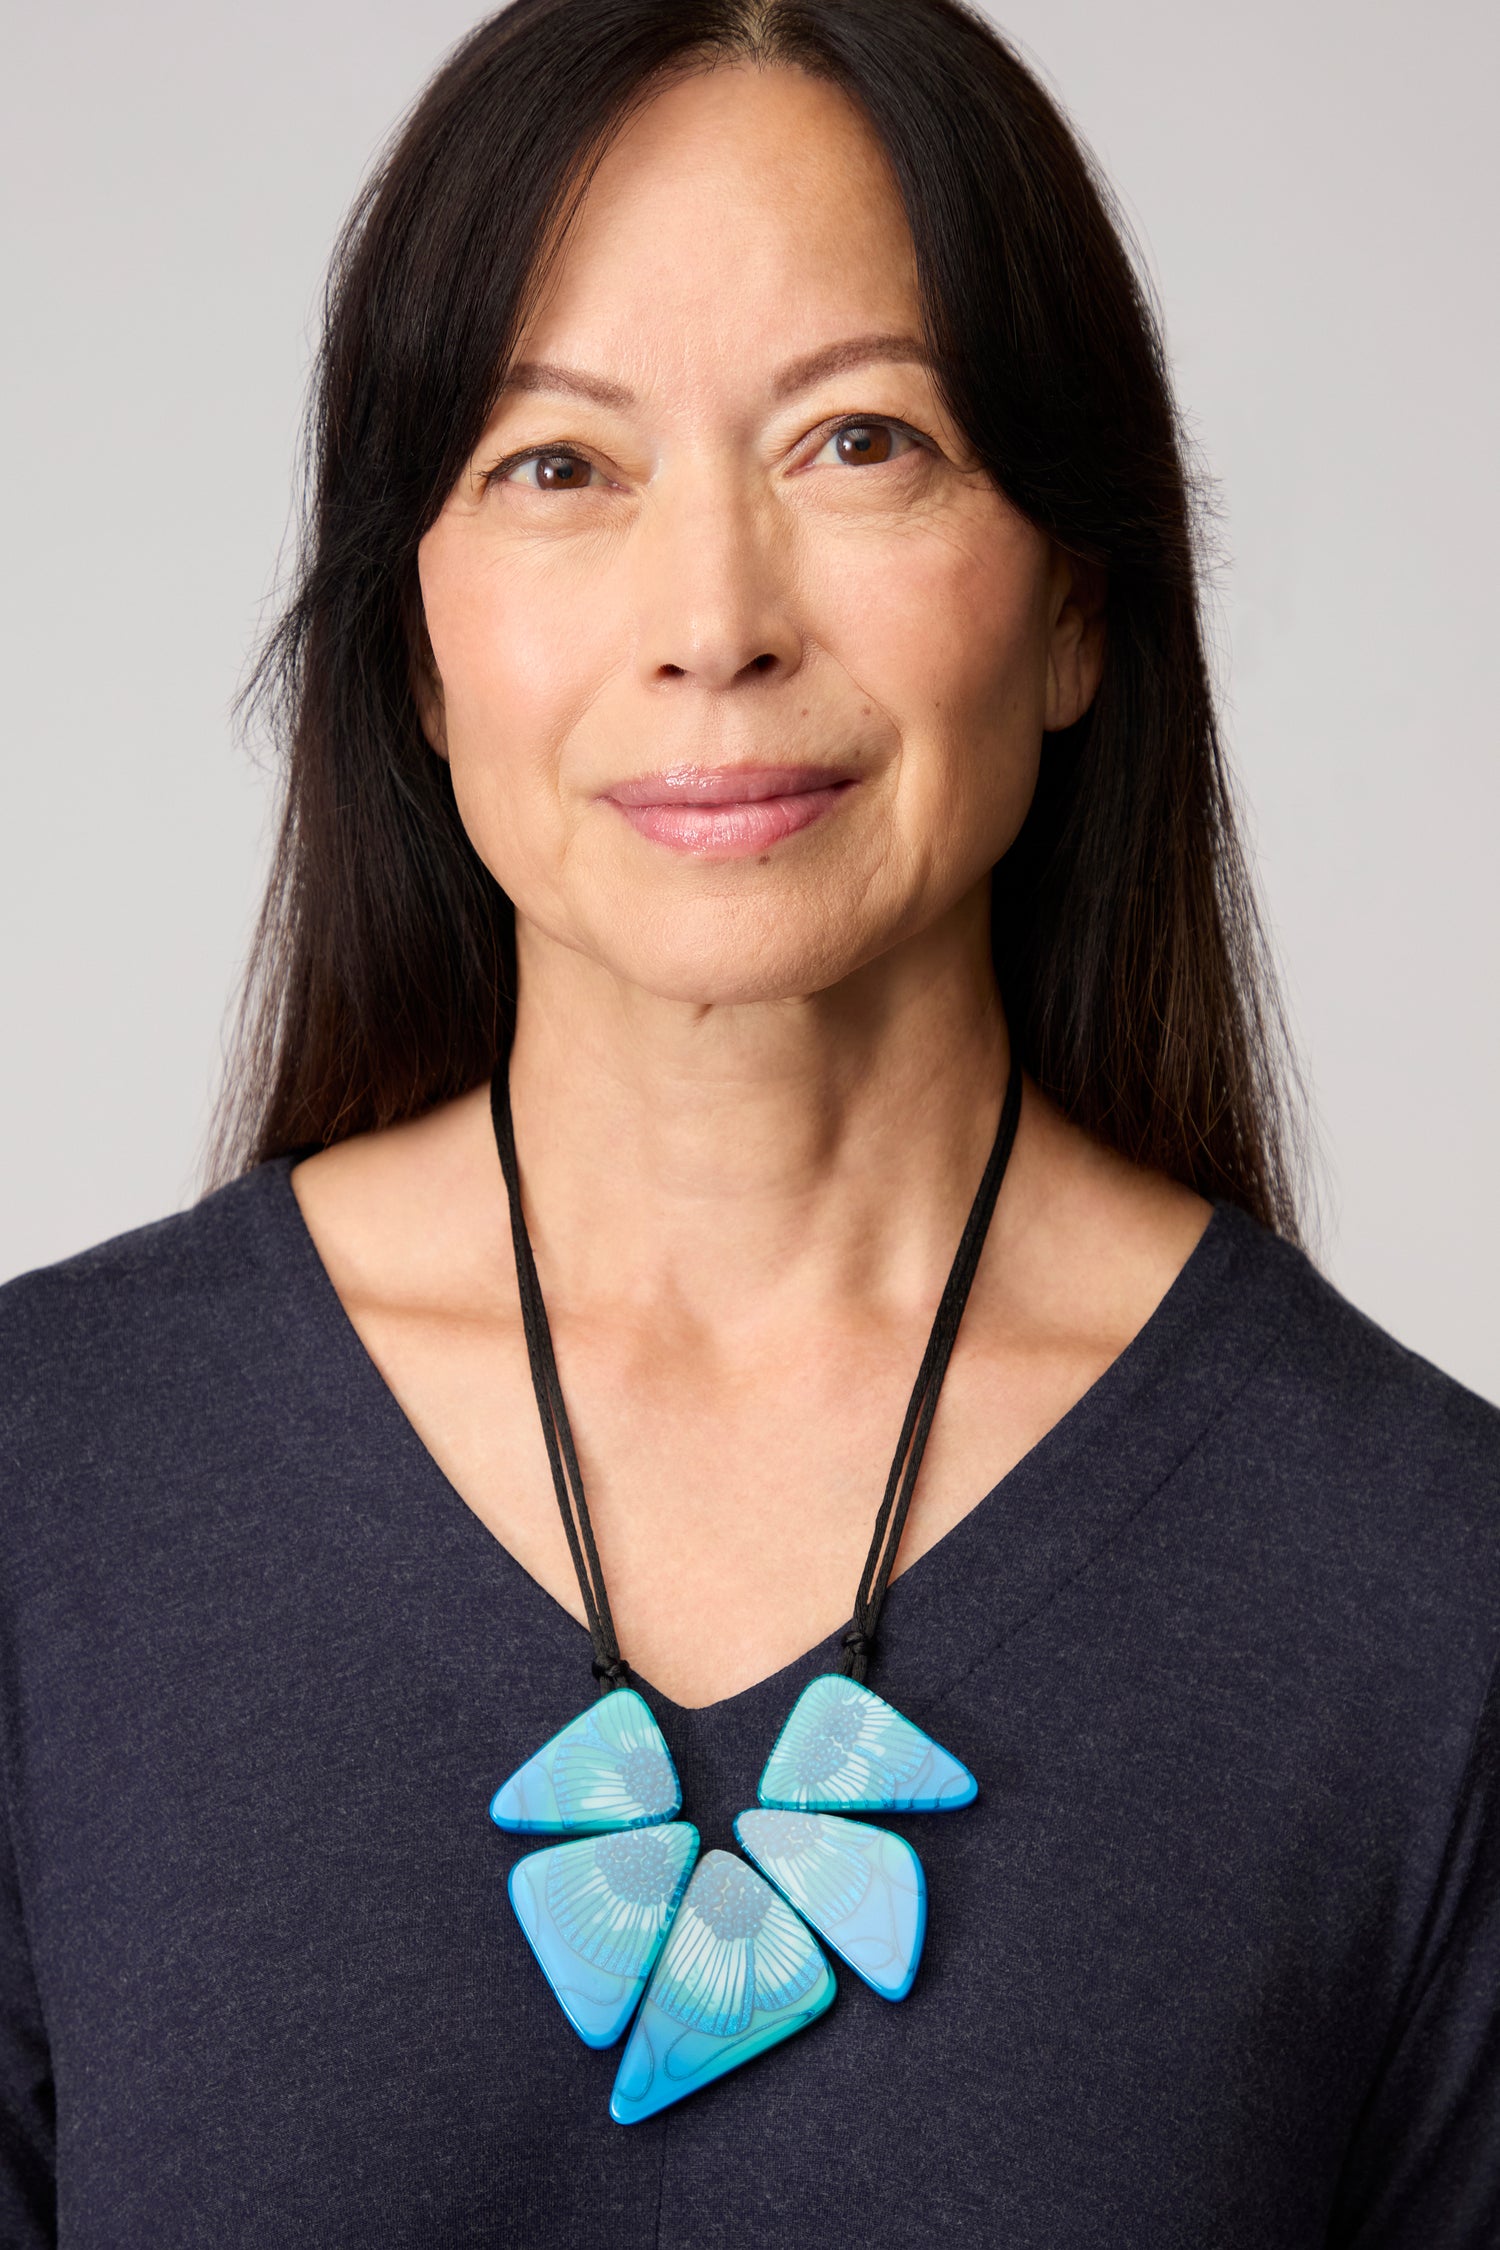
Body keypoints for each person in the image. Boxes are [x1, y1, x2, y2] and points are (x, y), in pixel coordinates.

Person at [1, 0, 1495, 2239]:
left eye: (863, 442)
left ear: (1081, 599)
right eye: (557, 466)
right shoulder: (50, 1490)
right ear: (411, 644)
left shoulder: (1424, 1593)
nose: (714, 620)